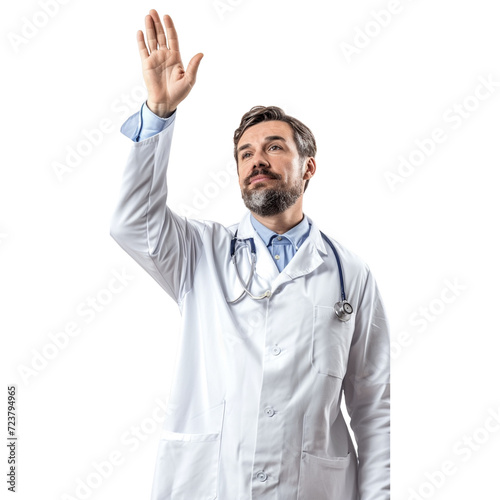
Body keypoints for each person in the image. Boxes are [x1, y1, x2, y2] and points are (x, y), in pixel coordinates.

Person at [110, 9, 390, 500]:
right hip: (213, 484)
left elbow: (371, 405)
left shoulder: (351, 274)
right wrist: (158, 112)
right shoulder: (199, 252)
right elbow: (132, 223)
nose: (256, 158)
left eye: (274, 147)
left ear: (308, 167)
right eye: (245, 153)